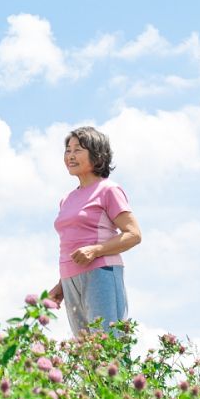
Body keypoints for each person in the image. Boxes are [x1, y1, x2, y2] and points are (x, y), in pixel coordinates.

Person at [47, 126, 141, 337]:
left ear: (97, 154)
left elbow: (134, 234)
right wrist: (61, 285)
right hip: (70, 278)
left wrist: (96, 250)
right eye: (67, 150)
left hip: (101, 274)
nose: (70, 155)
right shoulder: (67, 199)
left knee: (108, 346)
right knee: (86, 355)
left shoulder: (109, 190)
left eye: (78, 149)